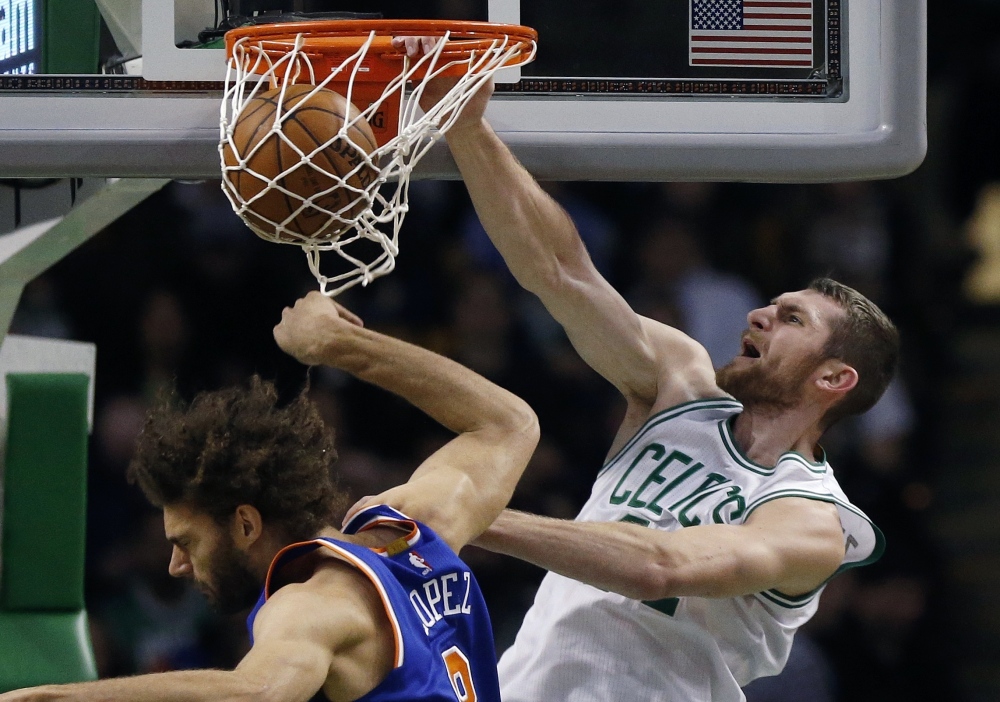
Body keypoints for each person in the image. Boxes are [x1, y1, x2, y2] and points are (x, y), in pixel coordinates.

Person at [392, 37, 898, 702]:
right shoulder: (679, 386)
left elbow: (659, 567)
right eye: (770, 306)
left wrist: (471, 515)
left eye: (792, 319)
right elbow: (559, 271)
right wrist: (464, 123)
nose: (758, 316)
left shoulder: (813, 521)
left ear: (834, 379)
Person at [0, 291, 539, 702]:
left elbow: (254, 693)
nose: (176, 566)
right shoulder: (411, 531)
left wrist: (46, 696)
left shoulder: (310, 608)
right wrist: (340, 345)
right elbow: (508, 425)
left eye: (186, 541)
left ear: (246, 524)